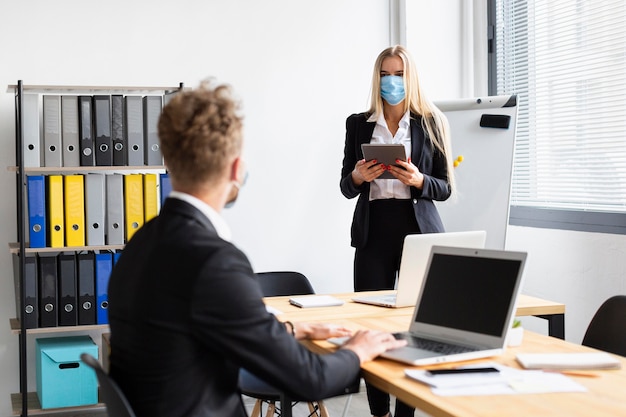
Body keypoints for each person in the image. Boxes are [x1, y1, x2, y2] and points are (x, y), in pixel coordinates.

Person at [107, 80, 406, 417]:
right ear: (236, 169)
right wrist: (357, 350)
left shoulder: (141, 242)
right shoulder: (215, 261)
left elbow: (195, 328)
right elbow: (311, 379)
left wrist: (292, 329)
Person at [340, 45, 454, 417]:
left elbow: (445, 187)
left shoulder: (431, 122)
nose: (392, 82)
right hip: (374, 231)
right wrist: (358, 176)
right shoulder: (358, 123)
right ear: (378, 78)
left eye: (399, 74)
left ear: (411, 77)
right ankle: (380, 412)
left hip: (417, 229)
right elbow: (345, 185)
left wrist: (419, 179)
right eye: (385, 74)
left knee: (414, 325)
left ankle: (405, 412)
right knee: (372, 323)